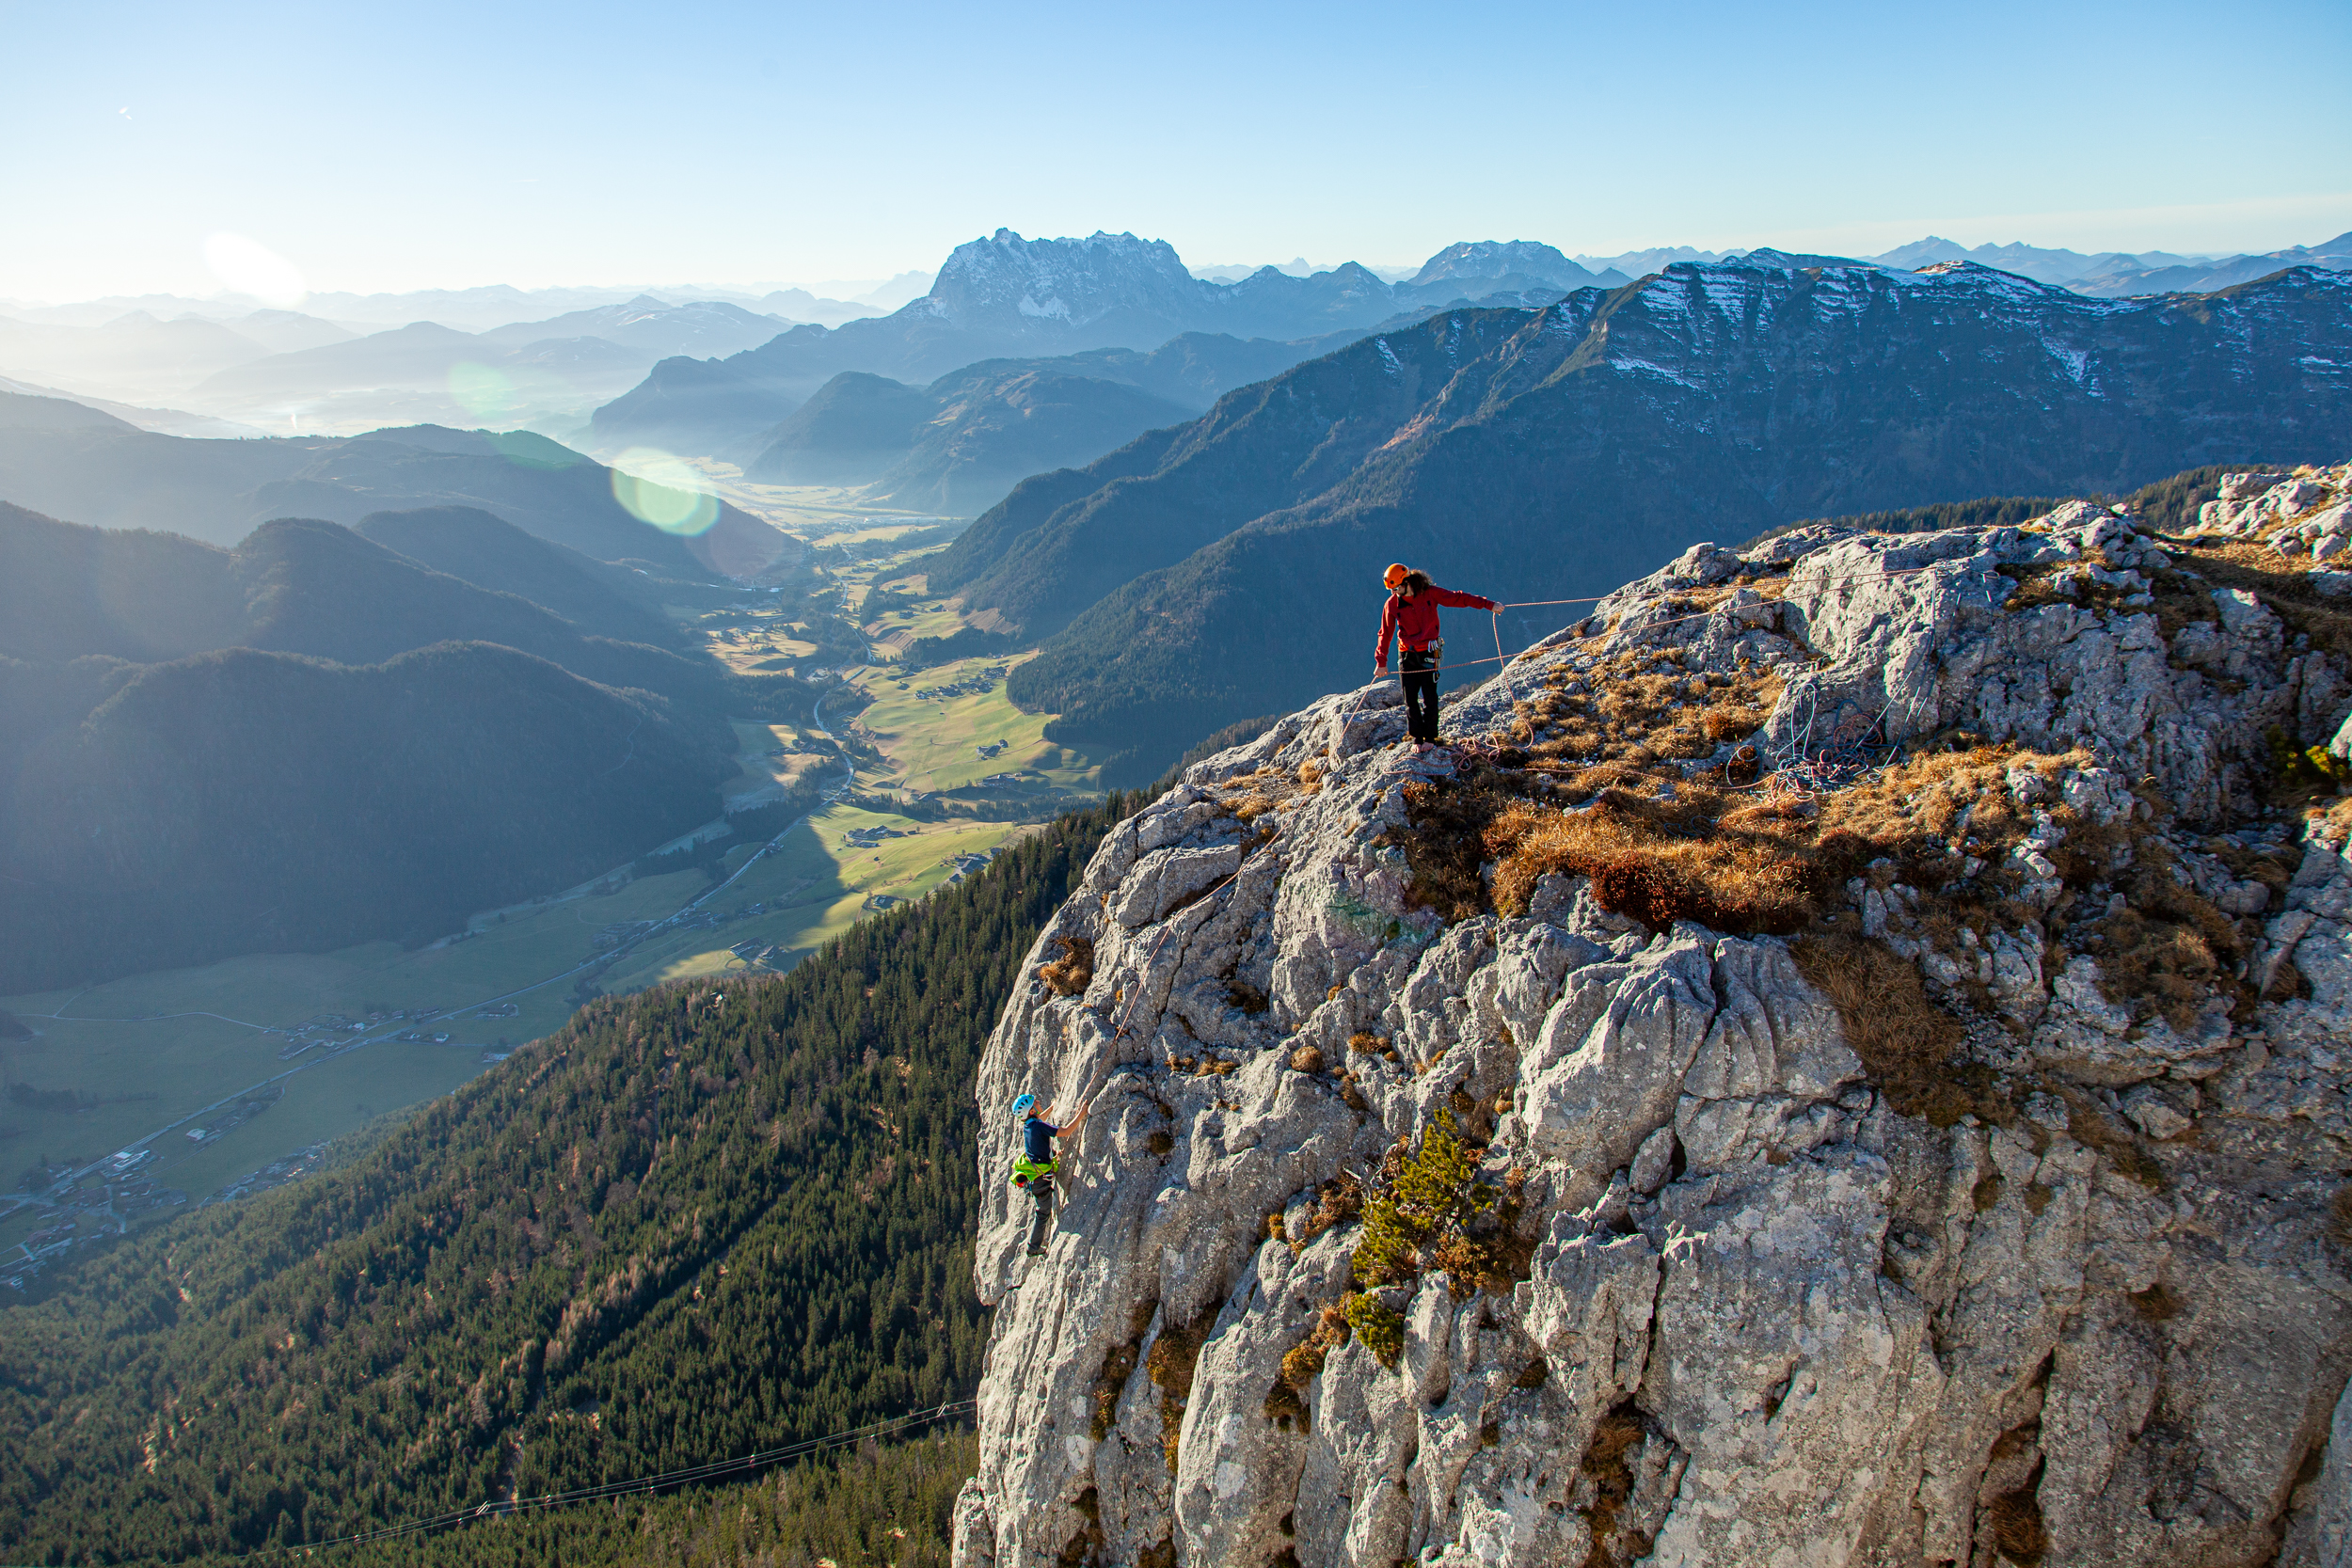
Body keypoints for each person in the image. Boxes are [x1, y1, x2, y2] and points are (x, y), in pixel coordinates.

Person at [1374, 563, 1499, 748]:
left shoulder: (1429, 593)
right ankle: (1417, 739)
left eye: (1397, 588)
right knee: (1410, 699)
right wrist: (1381, 662)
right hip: (1407, 654)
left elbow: (1458, 598)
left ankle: (1430, 739)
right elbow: (1385, 633)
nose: (1395, 592)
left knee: (1429, 697)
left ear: (1407, 582)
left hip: (1428, 652)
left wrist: (1489, 605)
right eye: (1392, 589)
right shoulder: (1392, 604)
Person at [1010, 1091, 1090, 1257]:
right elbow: (1066, 1131)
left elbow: (1040, 1119)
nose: (1038, 1101)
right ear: (1032, 1111)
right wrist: (1082, 1113)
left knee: (1043, 1210)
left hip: (1037, 1178)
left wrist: (1052, 1108)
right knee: (1043, 1212)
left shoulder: (1029, 1125)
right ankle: (1033, 1248)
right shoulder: (1038, 1126)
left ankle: (1034, 1246)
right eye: (1035, 1103)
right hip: (1041, 1183)